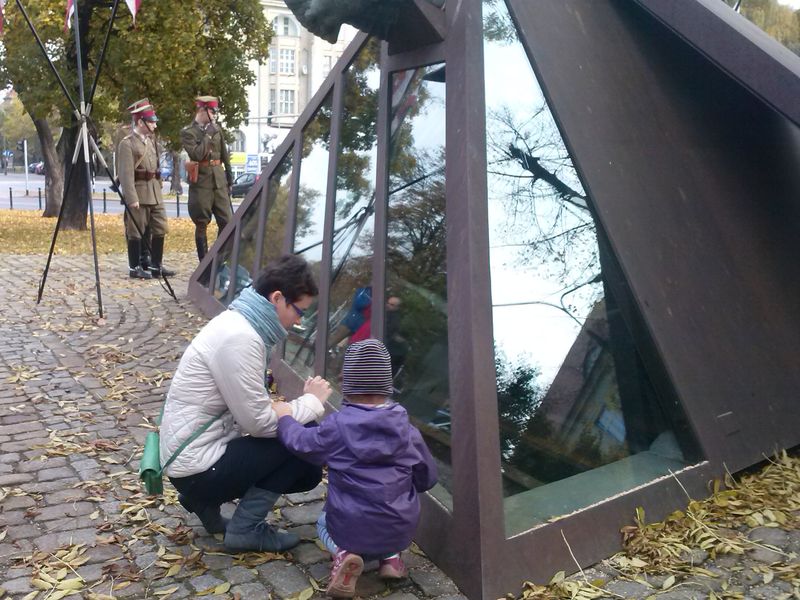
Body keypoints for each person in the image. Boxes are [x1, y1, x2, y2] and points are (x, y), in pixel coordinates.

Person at [159, 254, 333, 553]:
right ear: (277, 298)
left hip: (190, 456)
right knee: (301, 445)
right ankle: (244, 529)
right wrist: (311, 403)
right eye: (299, 310)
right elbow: (260, 423)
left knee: (299, 435)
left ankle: (204, 502)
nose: (301, 320)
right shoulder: (240, 338)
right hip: (196, 467)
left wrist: (286, 410)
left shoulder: (238, 322)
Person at [273, 339, 438, 598]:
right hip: (399, 530)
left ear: (346, 386)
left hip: (351, 530)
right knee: (389, 518)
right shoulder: (408, 432)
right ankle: (392, 560)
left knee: (323, 523)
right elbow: (427, 478)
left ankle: (345, 556)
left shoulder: (337, 426)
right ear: (388, 387)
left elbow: (302, 444)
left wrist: (285, 417)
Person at [117, 99, 175, 279]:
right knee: (136, 230)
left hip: (154, 192)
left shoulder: (150, 141)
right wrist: (131, 197)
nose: (154, 124)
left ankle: (155, 265)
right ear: (140, 122)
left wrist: (159, 186)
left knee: (160, 227)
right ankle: (135, 267)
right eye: (151, 121)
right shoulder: (127, 143)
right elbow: (126, 174)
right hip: (139, 193)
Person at [181, 95, 234, 262]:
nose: (215, 115)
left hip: (219, 181)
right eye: (212, 111)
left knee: (227, 222)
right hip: (202, 183)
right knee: (202, 223)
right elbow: (197, 154)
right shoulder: (188, 132)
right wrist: (208, 136)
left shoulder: (217, 129)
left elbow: (224, 155)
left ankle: (218, 260)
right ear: (202, 110)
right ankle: (204, 263)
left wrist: (229, 177)